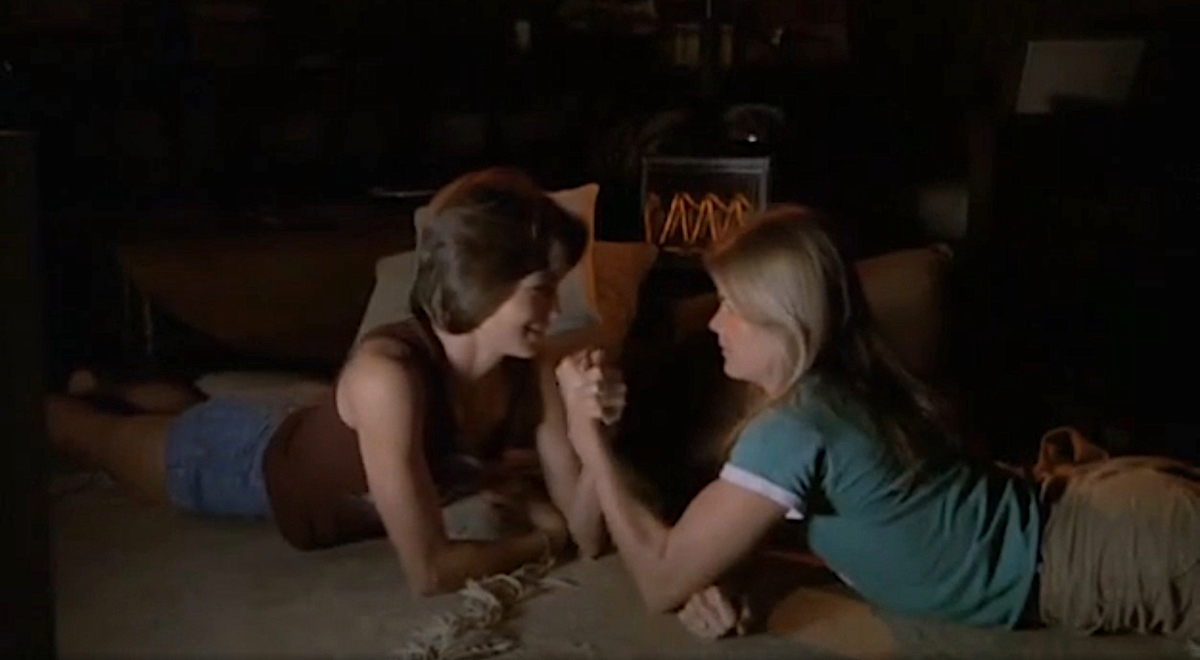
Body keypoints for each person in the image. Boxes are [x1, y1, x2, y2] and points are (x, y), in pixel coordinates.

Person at [554, 205, 1200, 649]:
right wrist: (724, 572)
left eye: (731, 306)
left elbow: (659, 578)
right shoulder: (837, 382)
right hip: (1106, 516)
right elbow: (765, 530)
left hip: (1104, 551)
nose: (714, 323)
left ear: (783, 318)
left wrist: (588, 442)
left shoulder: (795, 424)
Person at [47, 168, 627, 596]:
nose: (555, 312)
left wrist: (589, 432)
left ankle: (107, 384)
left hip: (306, 421)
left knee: (179, 404)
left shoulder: (534, 364)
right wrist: (541, 542)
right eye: (541, 290)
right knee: (78, 433)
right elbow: (429, 571)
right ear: (486, 284)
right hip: (240, 459)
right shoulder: (387, 376)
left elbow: (589, 535)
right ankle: (83, 395)